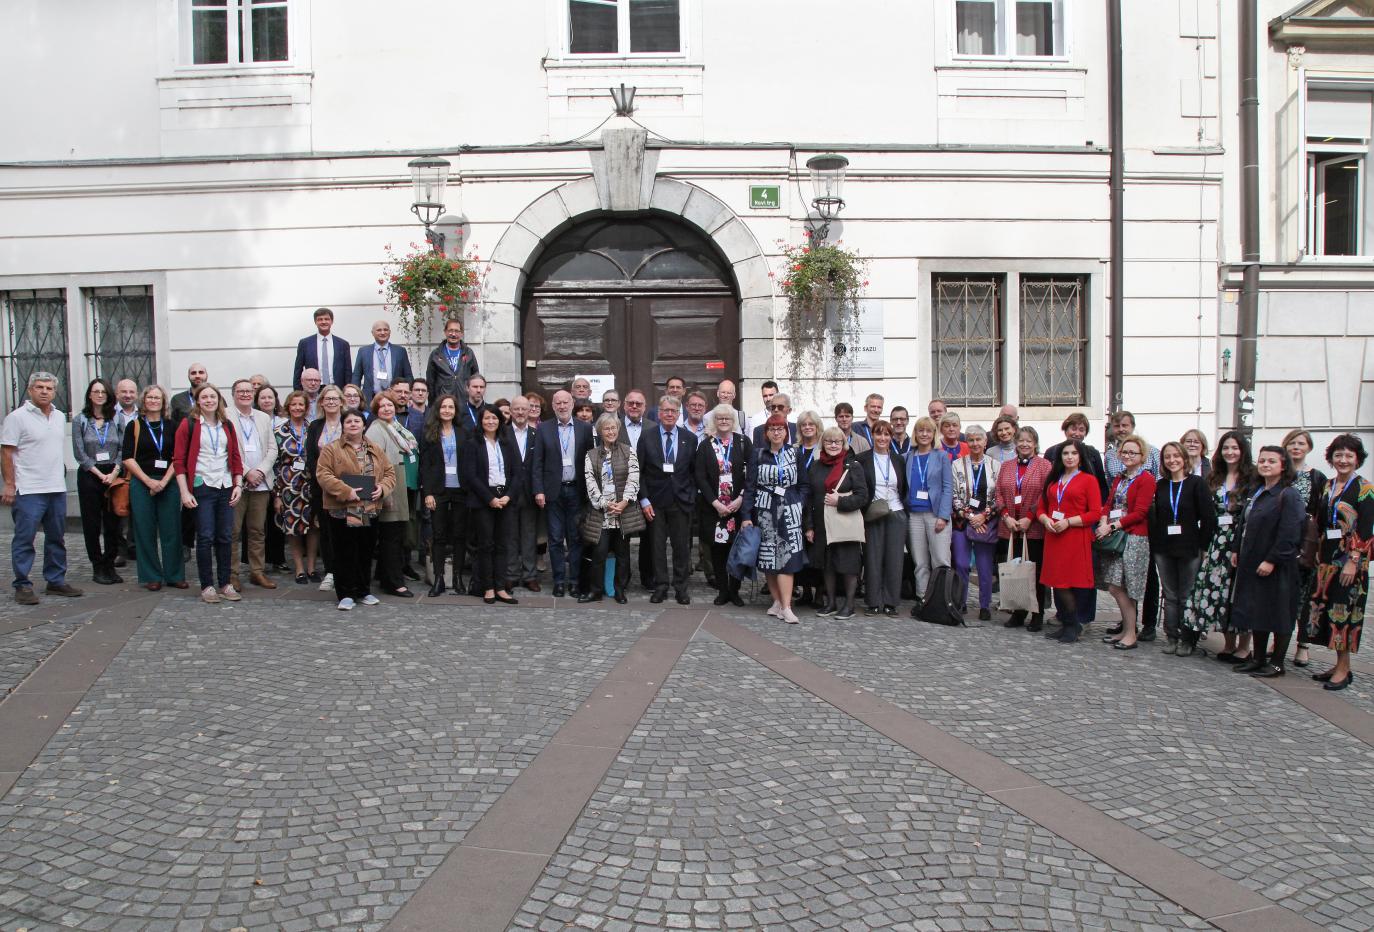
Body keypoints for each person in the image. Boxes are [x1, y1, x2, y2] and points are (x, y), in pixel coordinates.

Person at [2, 372, 83, 604]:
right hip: (28, 489)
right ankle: (23, 584)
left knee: (56, 537)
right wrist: (9, 484)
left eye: (49, 388)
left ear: (55, 392)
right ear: (30, 390)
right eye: (39, 387)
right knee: (24, 538)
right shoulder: (17, 418)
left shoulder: (58, 416)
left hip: (56, 488)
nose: (44, 391)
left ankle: (56, 580)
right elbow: (6, 452)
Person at [1229, 446, 1305, 677]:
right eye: (1262, 460)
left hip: (1277, 565)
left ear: (1283, 465)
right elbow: (1244, 523)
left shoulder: (1288, 494)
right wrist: (1236, 550)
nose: (1265, 464)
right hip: (1251, 560)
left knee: (1279, 613)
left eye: (1272, 461)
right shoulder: (1258, 490)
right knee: (1257, 611)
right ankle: (1258, 658)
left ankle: (1277, 663)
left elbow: (1290, 532)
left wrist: (1272, 560)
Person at [1183, 431, 1256, 660]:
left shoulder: (1252, 478)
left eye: (1235, 448)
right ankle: (1228, 643)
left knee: (1240, 591)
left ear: (1242, 451)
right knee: (1220, 591)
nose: (1230, 452)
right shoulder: (1214, 477)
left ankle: (1244, 645)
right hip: (1217, 540)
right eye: (1226, 448)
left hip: (1242, 539)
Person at [1311, 434, 1373, 691]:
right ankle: (1338, 664)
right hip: (1327, 558)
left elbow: (1367, 528)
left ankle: (1344, 669)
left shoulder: (1364, 488)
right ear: (1331, 458)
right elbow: (1321, 520)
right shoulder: (1328, 485)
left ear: (1357, 459)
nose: (1343, 460)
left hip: (1350, 561)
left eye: (1349, 455)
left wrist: (1354, 560)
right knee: (1327, 613)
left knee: (1344, 614)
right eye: (1339, 455)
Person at [316, 409, 394, 611]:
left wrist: (383, 488)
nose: (353, 424)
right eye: (348, 421)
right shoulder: (331, 449)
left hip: (369, 508)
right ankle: (346, 594)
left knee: (365, 550)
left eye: (357, 421)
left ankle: (363, 590)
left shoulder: (375, 448)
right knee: (344, 551)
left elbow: (389, 472)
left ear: (363, 425)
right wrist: (344, 490)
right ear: (343, 425)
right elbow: (323, 474)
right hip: (342, 509)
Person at [173, 383, 244, 604]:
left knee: (225, 536)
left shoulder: (227, 426)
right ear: (197, 400)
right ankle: (207, 585)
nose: (209, 400)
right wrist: (184, 492)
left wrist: (238, 485)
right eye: (204, 397)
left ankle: (225, 583)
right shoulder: (189, 425)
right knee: (205, 537)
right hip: (202, 485)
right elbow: (178, 461)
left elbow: (235, 458)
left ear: (219, 400)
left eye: (212, 396)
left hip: (224, 485)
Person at [1149, 441, 1215, 655]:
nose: (1172, 460)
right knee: (1169, 594)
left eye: (1176, 456)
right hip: (1164, 547)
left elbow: (1207, 518)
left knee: (1187, 594)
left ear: (1184, 458)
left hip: (1189, 546)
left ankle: (1188, 638)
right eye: (1167, 457)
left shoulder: (1196, 484)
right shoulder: (1160, 486)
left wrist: (1204, 547)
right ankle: (1171, 636)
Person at [742, 414, 808, 624]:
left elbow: (804, 484)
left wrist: (799, 502)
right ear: (767, 433)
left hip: (790, 510)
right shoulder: (758, 455)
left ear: (786, 432)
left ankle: (787, 607)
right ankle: (777, 601)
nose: (777, 432)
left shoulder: (795, 453)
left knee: (787, 558)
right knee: (769, 558)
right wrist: (746, 515)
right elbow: (750, 487)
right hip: (765, 510)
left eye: (780, 428)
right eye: (773, 429)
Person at [1035, 439, 1102, 643]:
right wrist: (1045, 519)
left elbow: (1095, 513)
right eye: (1065, 453)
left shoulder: (1089, 480)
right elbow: (1041, 508)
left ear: (1080, 457)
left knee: (1071, 583)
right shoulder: (1054, 480)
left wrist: (1069, 522)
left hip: (1074, 535)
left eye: (1073, 453)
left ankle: (1074, 624)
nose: (1069, 457)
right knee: (1057, 581)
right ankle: (1065, 622)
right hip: (1054, 536)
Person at [1095, 434, 1157, 650]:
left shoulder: (1146, 479)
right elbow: (1109, 503)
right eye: (1125, 452)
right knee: (1115, 585)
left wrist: (1112, 526)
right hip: (1115, 535)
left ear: (1142, 456)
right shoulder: (1120, 477)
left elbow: (1140, 512)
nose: (1128, 456)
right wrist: (1103, 519)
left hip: (1134, 537)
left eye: (1133, 452)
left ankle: (1131, 632)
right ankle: (1125, 629)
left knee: (1127, 587)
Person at [121, 385, 185, 591]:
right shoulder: (135, 426)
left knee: (172, 529)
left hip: (168, 481)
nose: (153, 401)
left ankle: (174, 574)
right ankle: (151, 575)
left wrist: (164, 482)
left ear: (163, 401)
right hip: (142, 482)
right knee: (144, 529)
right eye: (149, 397)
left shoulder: (173, 425)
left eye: (157, 398)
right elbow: (128, 458)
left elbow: (178, 457)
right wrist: (149, 482)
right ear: (144, 401)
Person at [531, 389, 594, 597]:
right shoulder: (544, 429)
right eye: (558, 403)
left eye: (566, 402)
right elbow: (537, 462)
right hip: (553, 492)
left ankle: (574, 581)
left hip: (577, 490)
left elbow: (590, 461)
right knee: (556, 539)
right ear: (553, 404)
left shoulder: (585, 429)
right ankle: (559, 580)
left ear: (572, 403)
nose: (562, 406)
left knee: (575, 538)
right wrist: (538, 490)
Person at [803, 427, 869, 620]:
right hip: (821, 523)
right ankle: (830, 603)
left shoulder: (853, 466)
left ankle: (848, 606)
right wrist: (808, 526)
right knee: (827, 565)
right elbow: (809, 497)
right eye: (829, 441)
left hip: (844, 523)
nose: (833, 445)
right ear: (823, 443)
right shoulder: (815, 466)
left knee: (848, 565)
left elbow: (862, 496)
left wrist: (840, 501)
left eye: (837, 442)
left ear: (843, 444)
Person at [637, 396, 698, 604]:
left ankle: (681, 587)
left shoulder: (689, 438)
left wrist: (690, 495)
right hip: (655, 502)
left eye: (673, 411)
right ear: (659, 413)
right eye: (665, 410)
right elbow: (640, 472)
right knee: (657, 547)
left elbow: (693, 472)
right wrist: (644, 500)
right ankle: (661, 585)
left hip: (680, 501)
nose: (669, 414)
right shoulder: (647, 437)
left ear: (679, 413)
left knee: (681, 548)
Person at [580, 415, 644, 603]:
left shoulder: (628, 452)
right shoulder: (590, 455)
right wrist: (603, 503)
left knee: (623, 554)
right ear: (600, 431)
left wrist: (624, 502)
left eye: (613, 428)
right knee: (599, 553)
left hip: (622, 513)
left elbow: (634, 479)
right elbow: (590, 482)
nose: (610, 432)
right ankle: (595, 590)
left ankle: (619, 590)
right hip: (602, 513)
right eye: (607, 429)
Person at [461, 405, 522, 605]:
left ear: (500, 421)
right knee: (485, 545)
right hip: (483, 500)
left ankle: (501, 587)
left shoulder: (508, 443)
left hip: (505, 499)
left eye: (494, 418)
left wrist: (508, 496)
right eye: (487, 418)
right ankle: (487, 588)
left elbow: (517, 473)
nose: (491, 422)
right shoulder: (473, 443)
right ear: (481, 421)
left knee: (503, 545)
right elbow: (471, 475)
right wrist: (490, 499)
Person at [996, 427, 1052, 630]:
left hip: (1034, 528)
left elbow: (1045, 495)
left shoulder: (1044, 466)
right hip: (1011, 527)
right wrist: (1006, 517)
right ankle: (1018, 612)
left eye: (1029, 441)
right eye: (1021, 440)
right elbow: (999, 493)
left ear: (1035, 443)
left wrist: (1030, 517)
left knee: (1034, 572)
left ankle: (1037, 613)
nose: (1024, 444)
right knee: (1015, 570)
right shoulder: (1007, 466)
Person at [694, 405, 750, 607]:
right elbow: (700, 477)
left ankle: (735, 591)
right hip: (714, 509)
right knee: (717, 551)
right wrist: (716, 503)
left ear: (733, 420)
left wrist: (741, 499)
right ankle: (723, 590)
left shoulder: (743, 442)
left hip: (737, 508)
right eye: (719, 418)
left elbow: (751, 474)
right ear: (714, 421)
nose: (724, 421)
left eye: (727, 418)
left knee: (737, 550)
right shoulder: (705, 445)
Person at [1284, 428, 1330, 668]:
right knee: (1282, 594)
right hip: (1282, 540)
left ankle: (1303, 645)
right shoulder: (1281, 474)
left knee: (1305, 595)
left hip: (1306, 542)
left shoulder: (1317, 477)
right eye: (1292, 443)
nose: (1296, 447)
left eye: (1301, 443)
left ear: (1308, 447)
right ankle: (1279, 639)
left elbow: (1322, 513)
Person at [72, 378, 125, 585]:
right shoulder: (80, 420)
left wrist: (114, 473)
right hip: (89, 474)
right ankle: (97, 565)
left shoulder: (117, 419)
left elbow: (123, 448)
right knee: (92, 523)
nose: (100, 395)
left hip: (113, 474)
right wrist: (97, 472)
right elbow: (79, 453)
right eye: (96, 391)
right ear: (89, 395)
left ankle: (109, 563)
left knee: (113, 522)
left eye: (103, 391)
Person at [365, 391, 417, 598]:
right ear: (376, 409)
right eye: (383, 406)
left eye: (390, 405)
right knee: (391, 536)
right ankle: (394, 582)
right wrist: (384, 493)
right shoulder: (377, 429)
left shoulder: (395, 428)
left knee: (394, 533)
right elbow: (374, 464)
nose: (387, 408)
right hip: (388, 485)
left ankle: (384, 575)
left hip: (399, 482)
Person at [228, 379, 278, 590]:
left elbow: (272, 449)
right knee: (233, 531)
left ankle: (257, 572)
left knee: (258, 530)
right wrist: (247, 472)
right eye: (241, 391)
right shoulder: (226, 416)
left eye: (249, 391)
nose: (245, 394)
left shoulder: (263, 418)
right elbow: (227, 450)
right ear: (234, 394)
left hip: (261, 482)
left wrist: (260, 471)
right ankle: (231, 574)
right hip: (237, 481)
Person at [951, 425, 1001, 621]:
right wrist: (970, 516)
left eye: (978, 439)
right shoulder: (956, 465)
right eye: (971, 440)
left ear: (985, 442)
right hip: (963, 521)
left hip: (986, 522)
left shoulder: (995, 465)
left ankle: (984, 605)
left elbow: (1000, 496)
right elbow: (954, 495)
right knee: (962, 564)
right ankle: (961, 601)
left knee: (984, 566)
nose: (975, 444)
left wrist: (984, 516)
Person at [859, 420, 908, 616]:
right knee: (872, 558)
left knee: (894, 559)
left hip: (896, 512)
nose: (882, 438)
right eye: (878, 434)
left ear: (891, 437)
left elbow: (903, 487)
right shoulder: (863, 459)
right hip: (873, 513)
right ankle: (872, 601)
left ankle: (890, 601)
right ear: (872, 436)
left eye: (886, 434)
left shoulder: (898, 460)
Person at [419, 395, 466, 596]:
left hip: (461, 490)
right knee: (438, 535)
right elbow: (425, 466)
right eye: (444, 407)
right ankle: (438, 578)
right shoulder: (430, 433)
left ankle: (457, 578)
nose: (447, 410)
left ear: (456, 410)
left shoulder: (464, 433)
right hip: (438, 490)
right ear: (438, 410)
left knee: (459, 535)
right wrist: (427, 492)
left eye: (451, 407)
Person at [906, 416, 953, 610]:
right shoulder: (908, 456)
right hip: (914, 515)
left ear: (934, 434)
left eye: (928, 431)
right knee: (920, 561)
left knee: (940, 559)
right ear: (915, 434)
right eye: (920, 430)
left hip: (936, 515)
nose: (924, 434)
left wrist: (943, 516)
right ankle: (922, 598)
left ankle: (942, 600)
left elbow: (948, 487)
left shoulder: (941, 456)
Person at [273, 391, 319, 584]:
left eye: (301, 404)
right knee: (292, 527)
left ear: (306, 407)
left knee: (313, 526)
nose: (297, 408)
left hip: (311, 484)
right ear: (288, 407)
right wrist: (276, 494)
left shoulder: (314, 428)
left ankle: (312, 568)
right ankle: (299, 568)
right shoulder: (279, 431)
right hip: (288, 486)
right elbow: (275, 464)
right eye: (294, 404)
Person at [304, 385, 346, 592]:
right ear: (321, 402)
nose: (331, 402)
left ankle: (347, 570)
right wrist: (324, 479)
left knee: (348, 528)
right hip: (322, 487)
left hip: (347, 486)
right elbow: (311, 456)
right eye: (327, 399)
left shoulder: (349, 422)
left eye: (334, 398)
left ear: (341, 401)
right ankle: (331, 571)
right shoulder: (315, 426)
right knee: (327, 530)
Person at [506, 394, 540, 592]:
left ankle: (530, 575)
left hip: (529, 492)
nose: (520, 412)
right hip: (508, 493)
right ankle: (510, 574)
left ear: (530, 412)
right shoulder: (502, 433)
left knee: (529, 535)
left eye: (524, 409)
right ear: (511, 411)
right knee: (510, 535)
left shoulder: (537, 435)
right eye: (516, 409)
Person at [791, 410, 825, 606]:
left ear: (817, 426)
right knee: (800, 547)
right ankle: (805, 591)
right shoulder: (795, 449)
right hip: (798, 503)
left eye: (811, 424)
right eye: (804, 424)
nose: (807, 427)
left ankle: (820, 592)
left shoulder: (824, 449)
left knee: (817, 550)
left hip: (818, 505)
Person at [256, 384, 289, 574]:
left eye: (270, 397)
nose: (267, 401)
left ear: (275, 400)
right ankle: (258, 560)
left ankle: (278, 558)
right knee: (258, 521)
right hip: (259, 473)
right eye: (263, 398)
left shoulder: (283, 422)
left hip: (280, 475)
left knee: (277, 517)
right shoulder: (252, 420)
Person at [1044, 413, 1109, 502]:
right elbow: (1046, 484)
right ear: (1066, 429)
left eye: (1081, 430)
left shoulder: (1093, 454)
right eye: (1073, 429)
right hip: (1059, 503)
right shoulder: (1051, 453)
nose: (1077, 433)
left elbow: (1102, 485)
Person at [352, 319, 414, 403]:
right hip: (370, 399)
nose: (382, 332)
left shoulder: (400, 351)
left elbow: (408, 375)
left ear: (389, 332)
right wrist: (355, 396)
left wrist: (409, 396)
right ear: (372, 333)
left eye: (385, 330)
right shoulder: (363, 351)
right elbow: (356, 375)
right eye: (379, 330)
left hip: (395, 399)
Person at [292, 307, 351, 389]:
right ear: (315, 322)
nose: (323, 322)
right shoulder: (305, 343)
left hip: (337, 389)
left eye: (327, 319)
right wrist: (298, 391)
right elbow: (298, 370)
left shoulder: (343, 344)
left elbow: (348, 371)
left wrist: (347, 390)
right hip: (313, 389)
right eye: (320, 319)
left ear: (332, 321)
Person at [424, 317, 480, 401]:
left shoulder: (469, 353)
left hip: (465, 402)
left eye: (457, 331)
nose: (453, 334)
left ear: (461, 334)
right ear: (445, 332)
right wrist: (433, 404)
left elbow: (475, 377)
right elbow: (430, 382)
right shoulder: (436, 354)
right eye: (450, 330)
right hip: (443, 403)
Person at [1104, 410, 1161, 479]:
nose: (1121, 429)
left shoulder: (1152, 452)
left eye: (1124, 425)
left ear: (1133, 426)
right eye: (1117, 426)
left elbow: (1159, 480)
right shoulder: (1109, 455)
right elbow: (1110, 485)